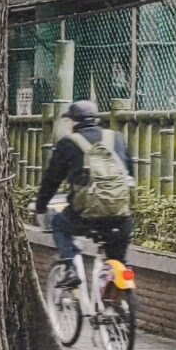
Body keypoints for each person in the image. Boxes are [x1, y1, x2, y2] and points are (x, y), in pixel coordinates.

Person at [33, 98, 135, 288]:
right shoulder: (117, 138)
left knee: (59, 224)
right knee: (119, 261)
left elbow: (52, 180)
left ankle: (70, 268)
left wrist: (40, 207)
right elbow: (129, 173)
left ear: (73, 121)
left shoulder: (68, 143)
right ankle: (121, 296)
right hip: (121, 216)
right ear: (96, 119)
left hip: (85, 217)